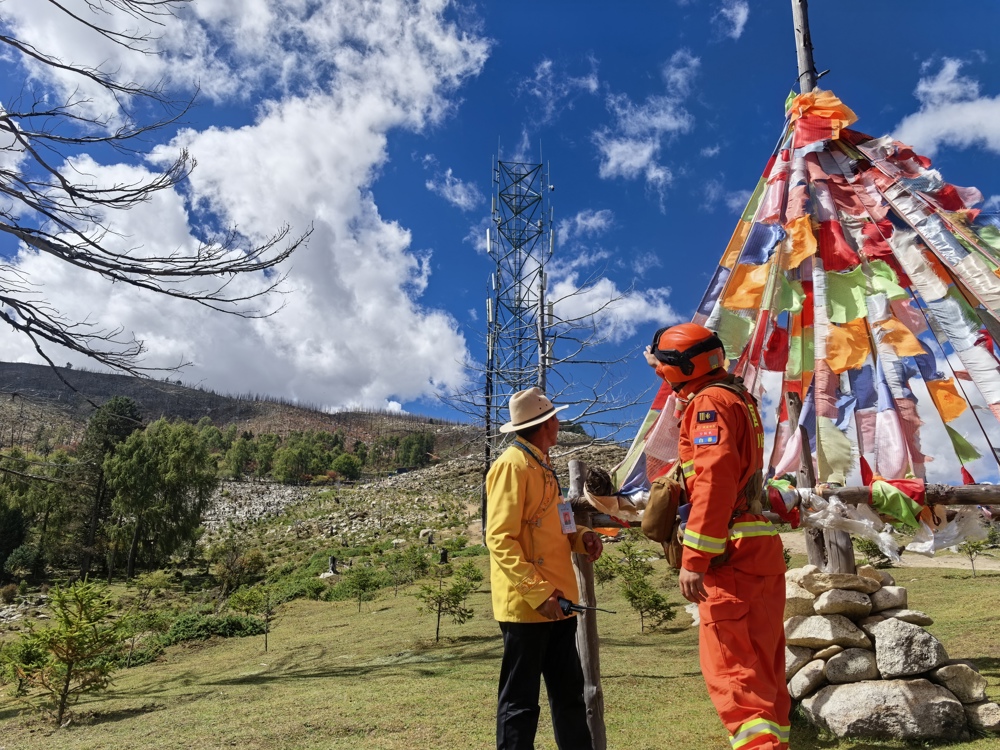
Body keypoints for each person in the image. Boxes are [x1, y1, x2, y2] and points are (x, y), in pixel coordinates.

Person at [645, 323, 790, 750]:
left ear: (685, 368)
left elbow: (714, 482)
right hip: (758, 550)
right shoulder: (734, 397)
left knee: (734, 676)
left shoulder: (708, 405)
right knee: (765, 670)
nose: (662, 375)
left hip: (732, 557)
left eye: (665, 368)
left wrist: (694, 559)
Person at [485, 386, 604, 750]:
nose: (559, 422)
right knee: (520, 703)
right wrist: (538, 593)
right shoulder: (511, 465)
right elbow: (500, 538)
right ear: (543, 424)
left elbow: (558, 521)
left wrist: (581, 536)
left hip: (560, 602)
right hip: (528, 606)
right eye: (554, 417)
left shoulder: (542, 464)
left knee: (568, 697)